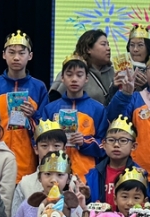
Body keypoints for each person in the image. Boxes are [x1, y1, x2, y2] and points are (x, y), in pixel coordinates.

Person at [0, 30, 50, 179]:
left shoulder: (39, 87)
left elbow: (46, 126)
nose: (16, 57)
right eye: (11, 52)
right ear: (3, 55)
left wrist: (34, 114)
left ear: (30, 56)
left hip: (27, 159)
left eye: (21, 53)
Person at [37, 56, 108, 186]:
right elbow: (40, 140)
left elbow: (105, 145)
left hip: (86, 175)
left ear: (86, 78)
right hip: (55, 174)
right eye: (69, 75)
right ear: (62, 78)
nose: (74, 79)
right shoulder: (50, 109)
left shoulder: (98, 109)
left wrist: (84, 142)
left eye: (79, 75)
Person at [5, 152, 84, 217]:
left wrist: (83, 209)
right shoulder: (28, 205)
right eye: (48, 174)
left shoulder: (72, 204)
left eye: (60, 175)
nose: (53, 180)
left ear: (68, 179)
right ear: (39, 177)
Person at [11, 119, 71, 211]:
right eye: (44, 146)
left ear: (64, 149)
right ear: (36, 149)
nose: (50, 150)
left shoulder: (72, 182)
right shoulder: (25, 183)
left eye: (56, 146)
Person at [90, 117, 140, 209]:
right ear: (104, 144)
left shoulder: (139, 174)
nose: (116, 145)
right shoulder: (93, 175)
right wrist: (86, 196)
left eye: (123, 140)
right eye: (111, 140)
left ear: (133, 146)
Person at [73, 29, 115, 105]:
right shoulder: (73, 72)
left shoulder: (114, 72)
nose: (108, 48)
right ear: (88, 49)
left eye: (108, 45)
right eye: (103, 44)